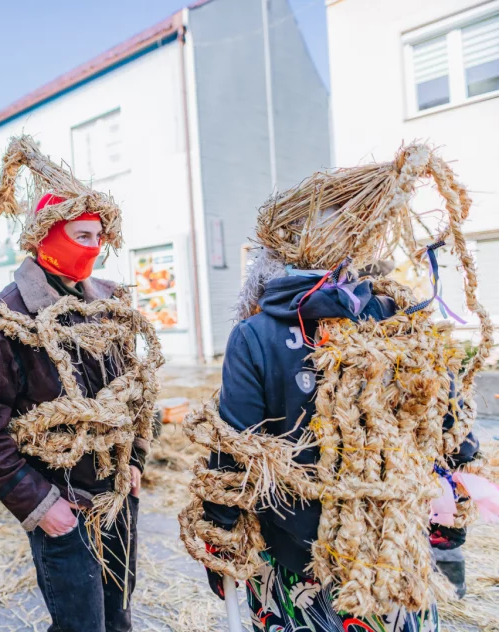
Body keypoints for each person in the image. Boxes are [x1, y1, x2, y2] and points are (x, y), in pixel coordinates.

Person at [179, 145, 492, 631]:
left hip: (300, 556)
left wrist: (219, 539)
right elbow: (450, 419)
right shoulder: (401, 318)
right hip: (391, 548)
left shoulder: (256, 334)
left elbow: (233, 454)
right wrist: (455, 503)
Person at [0, 136, 163, 632]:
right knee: (80, 626)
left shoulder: (109, 305)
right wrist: (40, 505)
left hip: (117, 501)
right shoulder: (5, 317)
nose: (96, 248)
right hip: (63, 505)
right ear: (48, 235)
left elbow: (134, 395)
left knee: (118, 619)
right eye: (83, 236)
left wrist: (133, 459)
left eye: (99, 237)